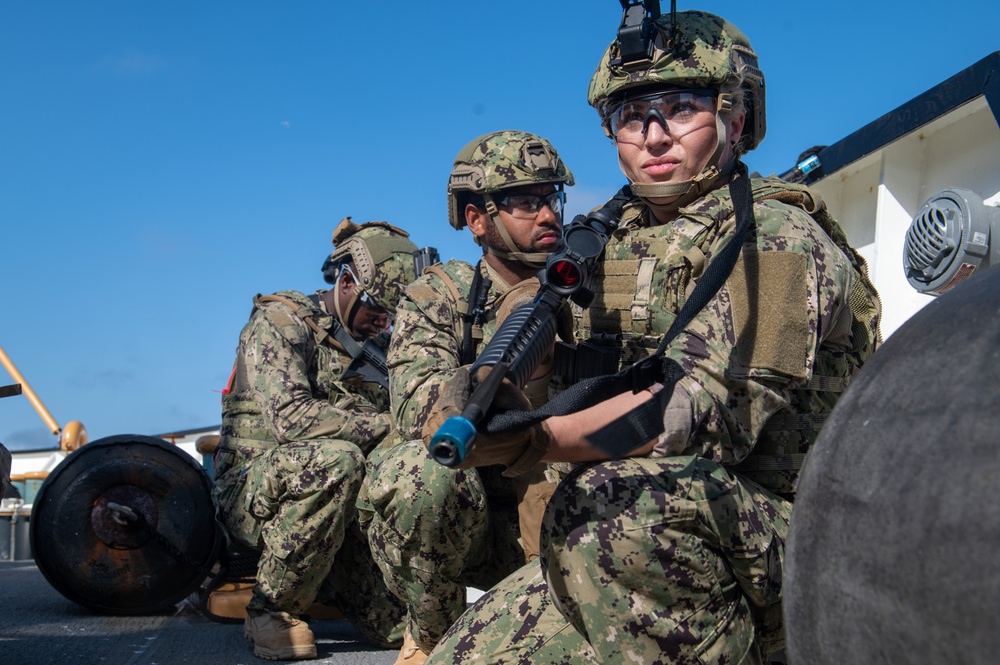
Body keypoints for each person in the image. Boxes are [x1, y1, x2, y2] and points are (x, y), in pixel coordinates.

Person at [423, 8, 882, 665]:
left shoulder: (783, 244)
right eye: (632, 116)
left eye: (682, 107)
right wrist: (494, 385)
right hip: (650, 537)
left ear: (736, 117)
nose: (654, 136)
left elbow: (702, 409)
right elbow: (561, 338)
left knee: (605, 500)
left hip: (798, 549)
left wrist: (536, 439)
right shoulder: (624, 243)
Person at [356, 130, 575, 664]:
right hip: (479, 524)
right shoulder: (441, 294)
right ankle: (429, 637)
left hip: (570, 505)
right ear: (478, 219)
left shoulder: (589, 282)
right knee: (417, 476)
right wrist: (501, 374)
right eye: (526, 201)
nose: (548, 215)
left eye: (553, 199)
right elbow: (415, 411)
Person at [212, 217, 420, 661]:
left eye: (392, 314)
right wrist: (393, 425)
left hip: (339, 508)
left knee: (393, 630)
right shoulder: (280, 322)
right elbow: (293, 419)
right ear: (346, 282)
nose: (383, 322)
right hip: (255, 491)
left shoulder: (376, 346)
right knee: (338, 459)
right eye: (376, 309)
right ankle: (271, 609)